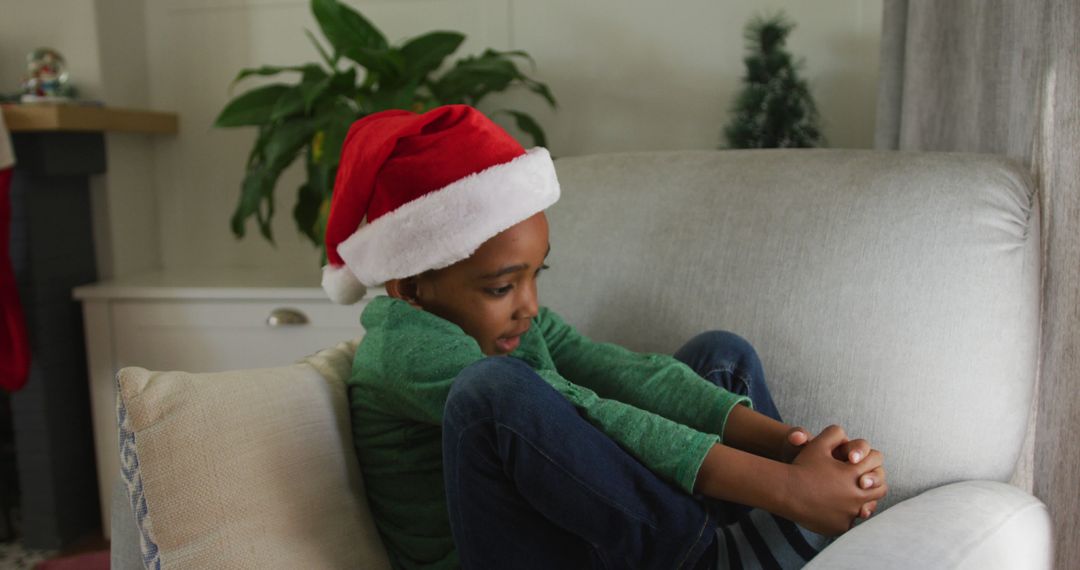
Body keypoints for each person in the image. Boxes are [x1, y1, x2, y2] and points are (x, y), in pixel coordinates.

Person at [321, 105, 887, 570]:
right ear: (413, 288)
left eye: (534, 276)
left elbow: (625, 373)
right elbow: (585, 410)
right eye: (501, 288)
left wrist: (795, 452)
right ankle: (717, 552)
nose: (530, 307)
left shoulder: (514, 327)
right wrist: (784, 489)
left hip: (583, 537)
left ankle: (765, 526)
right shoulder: (404, 349)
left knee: (721, 358)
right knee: (495, 391)